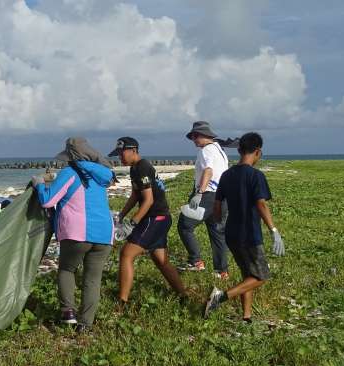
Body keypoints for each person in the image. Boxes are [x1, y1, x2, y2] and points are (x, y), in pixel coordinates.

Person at [33, 137, 114, 332]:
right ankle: (85, 324)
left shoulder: (70, 172)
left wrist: (38, 185)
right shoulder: (103, 175)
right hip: (104, 233)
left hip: (77, 233)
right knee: (92, 279)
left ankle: (68, 312)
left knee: (67, 270)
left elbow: (48, 201)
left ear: (70, 155)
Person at [204, 132, 285, 321]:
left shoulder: (226, 175)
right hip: (250, 234)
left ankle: (246, 316)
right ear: (258, 151)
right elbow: (261, 204)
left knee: (247, 275)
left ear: (240, 150)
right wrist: (274, 231)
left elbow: (217, 205)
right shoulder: (256, 176)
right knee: (261, 276)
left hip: (231, 233)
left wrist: (218, 223)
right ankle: (221, 296)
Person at [110, 137, 187, 312]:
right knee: (161, 260)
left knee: (126, 254)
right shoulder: (134, 168)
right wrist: (121, 215)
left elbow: (148, 200)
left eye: (121, 153)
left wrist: (132, 223)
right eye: (117, 154)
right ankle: (183, 296)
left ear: (133, 150)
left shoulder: (143, 167)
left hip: (156, 218)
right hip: (158, 218)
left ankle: (122, 303)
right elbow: (136, 195)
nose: (119, 157)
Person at [177, 121, 230, 278]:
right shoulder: (219, 150)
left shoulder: (206, 150)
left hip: (207, 195)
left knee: (185, 226)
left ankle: (195, 261)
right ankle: (222, 271)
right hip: (221, 196)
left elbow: (208, 170)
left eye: (195, 136)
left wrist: (199, 193)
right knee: (217, 233)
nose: (193, 139)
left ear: (203, 135)